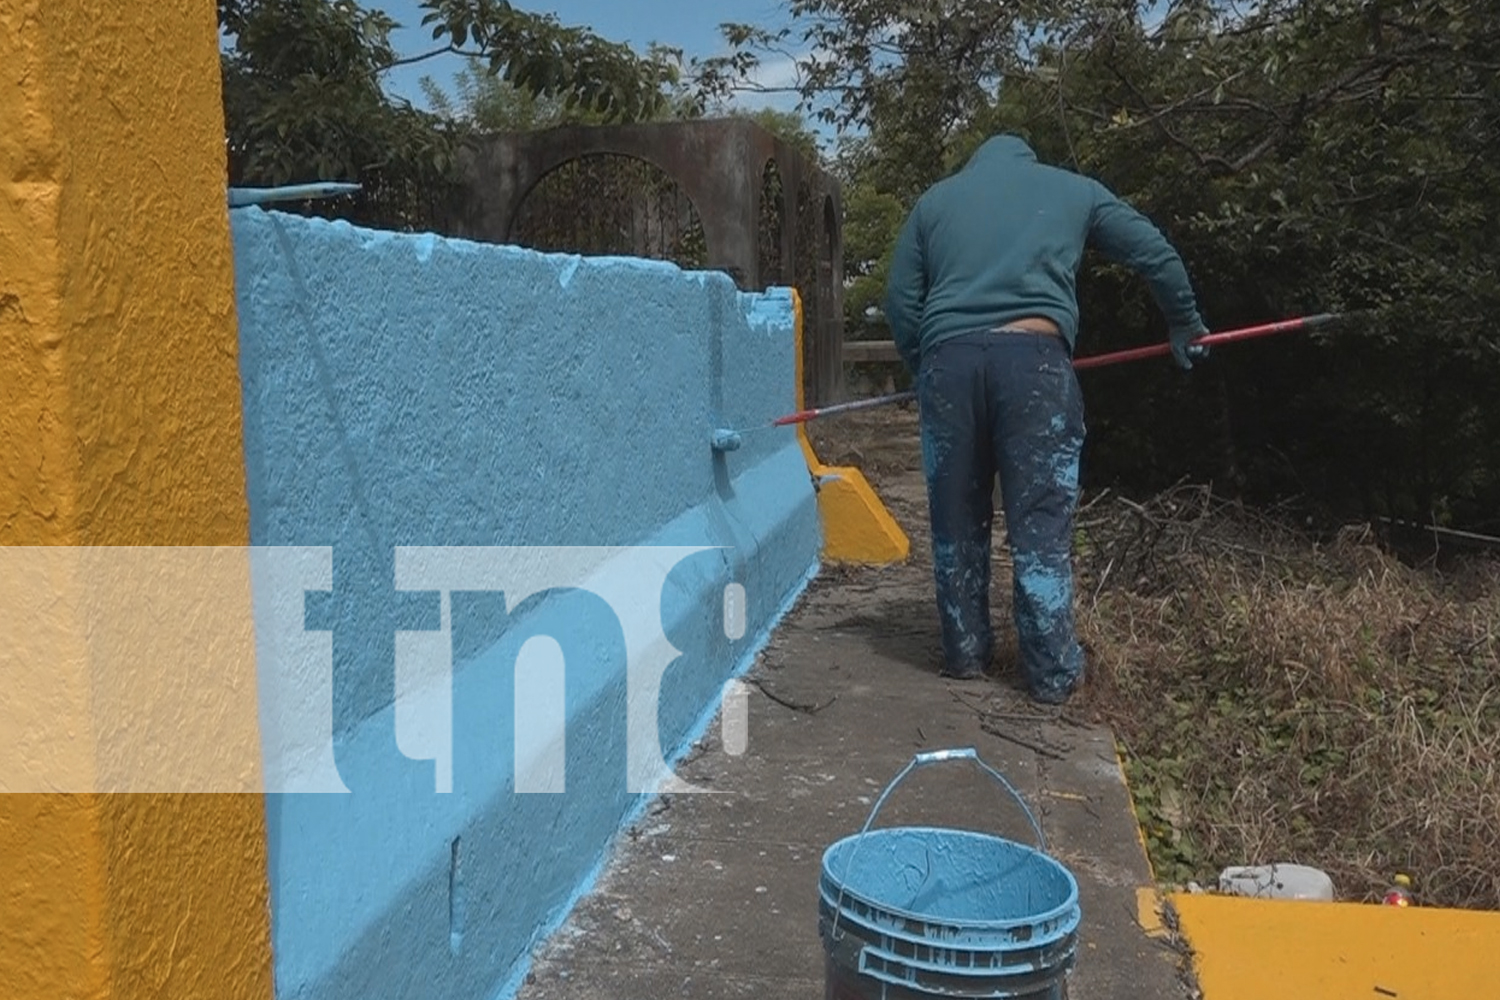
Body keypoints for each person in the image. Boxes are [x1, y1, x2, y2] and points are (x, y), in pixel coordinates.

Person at [883, 133, 1209, 704]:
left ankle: (965, 654)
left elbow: (899, 299)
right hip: (1036, 365)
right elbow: (1151, 250)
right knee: (1039, 527)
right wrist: (1183, 321)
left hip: (950, 368)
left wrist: (925, 365)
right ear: (1029, 159)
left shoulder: (935, 202)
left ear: (977, 163)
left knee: (956, 519)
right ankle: (1052, 677)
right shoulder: (1073, 190)